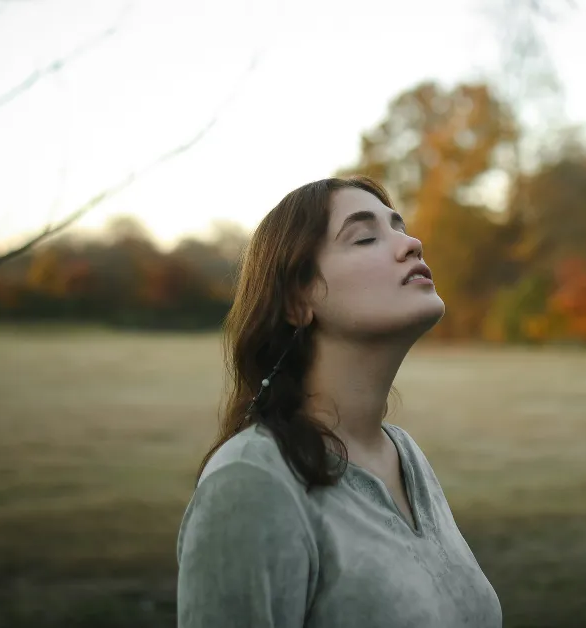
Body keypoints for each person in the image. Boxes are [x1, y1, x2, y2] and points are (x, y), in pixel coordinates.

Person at [175, 175, 502, 627]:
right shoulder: (250, 480)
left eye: (400, 227)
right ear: (296, 301)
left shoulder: (404, 455)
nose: (412, 244)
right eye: (365, 237)